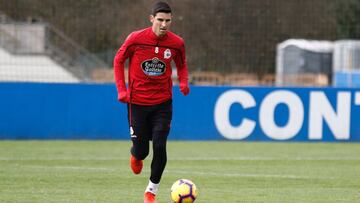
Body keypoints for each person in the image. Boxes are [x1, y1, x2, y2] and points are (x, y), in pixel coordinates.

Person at [113, 2, 190, 203]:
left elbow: (182, 65)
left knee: (160, 145)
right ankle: (135, 155)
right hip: (137, 103)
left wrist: (183, 82)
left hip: (163, 103)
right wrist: (122, 89)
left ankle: (151, 191)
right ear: (151, 19)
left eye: (168, 21)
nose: (164, 24)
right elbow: (118, 60)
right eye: (160, 20)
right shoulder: (136, 39)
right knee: (142, 150)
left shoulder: (176, 43)